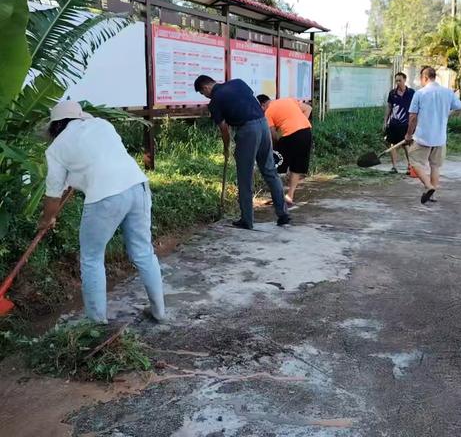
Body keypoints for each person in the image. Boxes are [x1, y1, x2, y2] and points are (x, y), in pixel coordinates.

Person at [38, 101, 165, 323]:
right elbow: (103, 159)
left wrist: (47, 219)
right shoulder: (102, 125)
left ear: (56, 126)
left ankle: (96, 324)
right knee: (143, 251)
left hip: (105, 197)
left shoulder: (56, 148)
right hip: (138, 187)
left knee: (91, 258)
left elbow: (53, 194)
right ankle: (160, 312)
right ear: (79, 117)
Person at [193, 75, 290, 230]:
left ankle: (247, 220)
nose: (205, 96)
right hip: (263, 125)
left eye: (203, 93)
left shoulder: (215, 102)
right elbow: (249, 101)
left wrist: (226, 147)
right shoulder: (238, 83)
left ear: (205, 88)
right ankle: (283, 214)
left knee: (244, 176)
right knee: (270, 171)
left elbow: (224, 128)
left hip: (248, 131)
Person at [405, 67, 461, 204]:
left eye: (421, 79)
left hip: (422, 136)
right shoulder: (448, 93)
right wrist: (446, 114)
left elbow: (412, 117)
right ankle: (433, 195)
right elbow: (460, 107)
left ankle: (428, 186)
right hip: (440, 137)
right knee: (435, 166)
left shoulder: (420, 93)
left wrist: (408, 134)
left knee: (414, 161)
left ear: (424, 78)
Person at [257, 95, 312, 205]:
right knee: (297, 166)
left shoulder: (268, 112)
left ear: (263, 105)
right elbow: (308, 108)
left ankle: (278, 196)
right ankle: (290, 195)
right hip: (306, 132)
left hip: (291, 135)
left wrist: (274, 148)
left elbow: (273, 136)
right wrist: (300, 125)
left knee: (275, 164)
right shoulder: (289, 100)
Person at [384, 72, 415, 174]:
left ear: (404, 80)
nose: (398, 82)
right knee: (392, 145)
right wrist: (385, 121)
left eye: (399, 80)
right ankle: (394, 167)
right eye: (396, 80)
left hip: (406, 124)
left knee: (406, 145)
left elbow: (416, 108)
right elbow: (389, 107)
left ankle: (410, 166)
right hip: (393, 124)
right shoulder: (392, 93)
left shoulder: (411, 93)